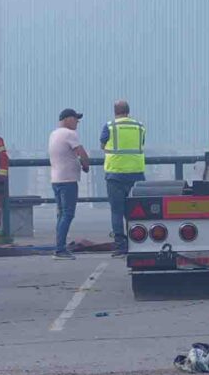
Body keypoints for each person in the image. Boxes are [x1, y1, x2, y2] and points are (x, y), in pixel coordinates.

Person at [100, 98, 147, 254]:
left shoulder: (110, 127)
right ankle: (139, 242)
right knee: (137, 211)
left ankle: (120, 245)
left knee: (117, 211)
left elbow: (103, 145)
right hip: (137, 175)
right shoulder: (139, 127)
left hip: (115, 175)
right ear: (128, 111)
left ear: (115, 112)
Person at [47, 108, 91, 257]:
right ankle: (60, 249)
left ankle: (59, 246)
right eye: (75, 118)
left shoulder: (54, 134)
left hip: (56, 179)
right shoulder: (70, 134)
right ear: (66, 119)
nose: (77, 121)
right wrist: (86, 166)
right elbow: (82, 154)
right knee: (68, 214)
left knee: (61, 214)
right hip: (68, 180)